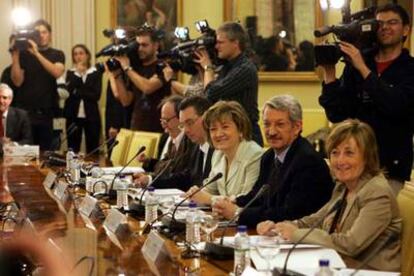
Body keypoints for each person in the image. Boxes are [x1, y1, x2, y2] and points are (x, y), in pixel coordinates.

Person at [259, 119, 401, 272]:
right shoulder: (343, 186)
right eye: (335, 152)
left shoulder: (377, 192)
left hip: (369, 271)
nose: (340, 161)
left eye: (349, 153)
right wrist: (280, 227)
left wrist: (296, 234)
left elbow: (351, 244)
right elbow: (316, 221)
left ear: (367, 157)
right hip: (338, 266)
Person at [318, 3, 414, 194]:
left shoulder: (409, 69)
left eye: (392, 23)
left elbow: (395, 105)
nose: (385, 27)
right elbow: (337, 113)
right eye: (380, 24)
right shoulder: (359, 61)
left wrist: (363, 68)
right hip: (353, 166)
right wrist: (329, 74)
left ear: (406, 30)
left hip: (388, 167)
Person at [213, 95, 333, 227]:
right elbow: (259, 196)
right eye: (267, 124)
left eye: (280, 124)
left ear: (297, 127)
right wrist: (232, 201)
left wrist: (238, 213)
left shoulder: (307, 161)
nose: (271, 131)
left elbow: (290, 213)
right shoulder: (269, 156)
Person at [194, 22, 263, 146]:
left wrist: (208, 67)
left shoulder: (245, 68)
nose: (216, 46)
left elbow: (211, 93)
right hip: (231, 133)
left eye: (220, 42)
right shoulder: (227, 66)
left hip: (247, 136)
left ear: (235, 43)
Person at [185, 101, 263, 205]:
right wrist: (196, 193)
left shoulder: (254, 155)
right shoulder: (218, 154)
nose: (218, 134)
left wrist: (210, 199)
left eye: (225, 127)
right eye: (213, 129)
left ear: (240, 129)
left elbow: (247, 199)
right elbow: (209, 189)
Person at [134, 96, 213, 191]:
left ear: (207, 117)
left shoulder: (216, 148)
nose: (186, 130)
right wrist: (150, 180)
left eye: (190, 123)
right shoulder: (197, 145)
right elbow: (185, 177)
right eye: (183, 125)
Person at [10, 19, 65, 150]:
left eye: (44, 32)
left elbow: (57, 72)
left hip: (48, 113)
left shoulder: (57, 54)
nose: (41, 35)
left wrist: (36, 53)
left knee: (47, 155)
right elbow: (17, 81)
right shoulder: (24, 55)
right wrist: (15, 55)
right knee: (25, 156)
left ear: (50, 35)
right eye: (37, 32)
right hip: (26, 113)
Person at [113, 26, 170, 133]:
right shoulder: (135, 69)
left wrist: (127, 68)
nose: (140, 49)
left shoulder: (164, 66)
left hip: (158, 128)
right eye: (138, 45)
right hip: (137, 126)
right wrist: (116, 75)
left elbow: (148, 88)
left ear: (156, 46)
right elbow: (126, 101)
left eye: (144, 45)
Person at [64, 44, 102, 153]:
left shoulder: (95, 72)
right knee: (72, 147)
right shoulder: (71, 73)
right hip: (73, 115)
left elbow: (96, 95)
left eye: (81, 53)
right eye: (75, 54)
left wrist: (78, 91)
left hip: (91, 115)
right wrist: (78, 75)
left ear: (87, 55)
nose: (78, 56)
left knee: (93, 147)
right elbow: (69, 92)